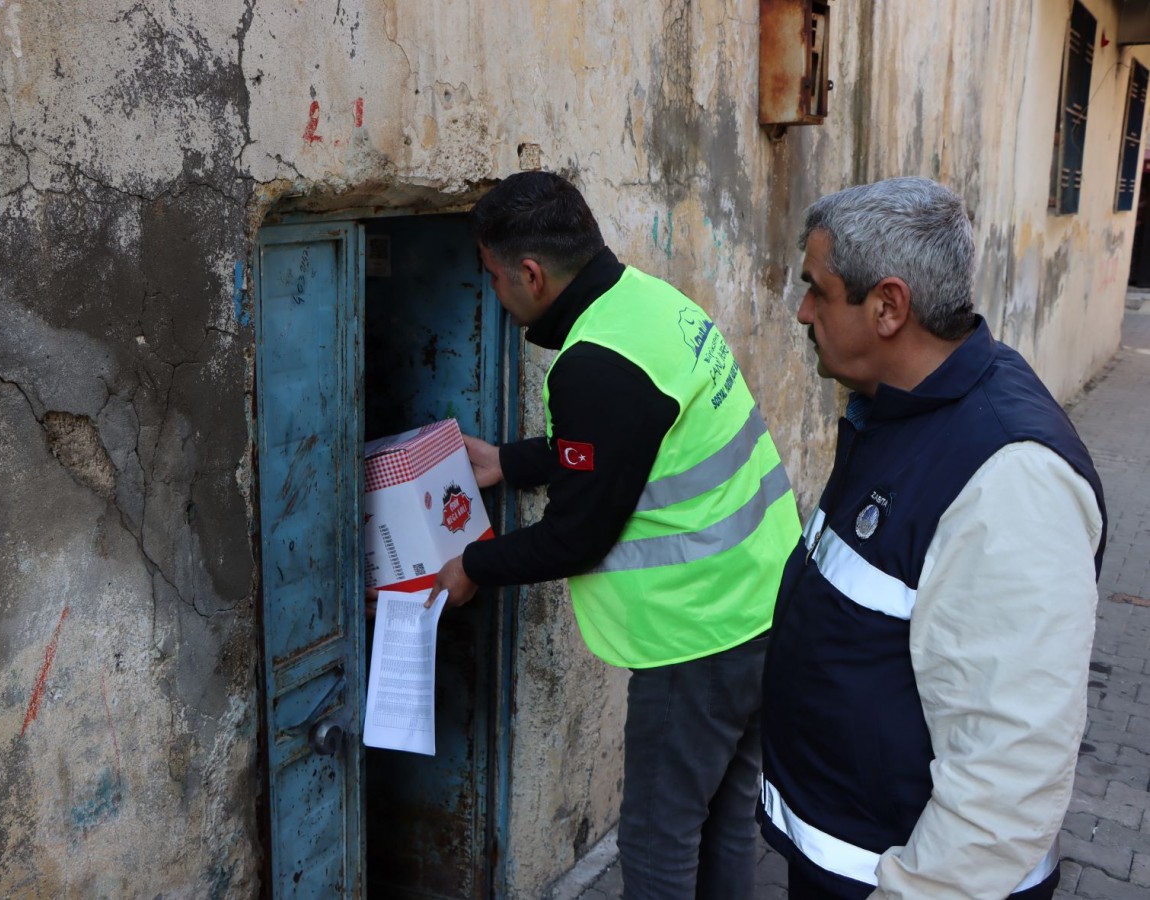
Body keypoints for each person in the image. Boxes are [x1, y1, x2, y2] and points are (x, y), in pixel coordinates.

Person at [428, 171, 801, 899]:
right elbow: (619, 450)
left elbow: (577, 535)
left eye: (495, 279)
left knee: (658, 842)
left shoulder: (595, 365)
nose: (495, 296)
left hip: (698, 634)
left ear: (531, 274)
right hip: (766, 600)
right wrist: (508, 461)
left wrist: (472, 563)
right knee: (725, 819)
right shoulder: (649, 305)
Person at [758, 177, 1107, 900]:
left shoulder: (1012, 477)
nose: (802, 312)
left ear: (888, 306)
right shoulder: (895, 410)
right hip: (843, 858)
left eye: (818, 290)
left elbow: (1010, 770)